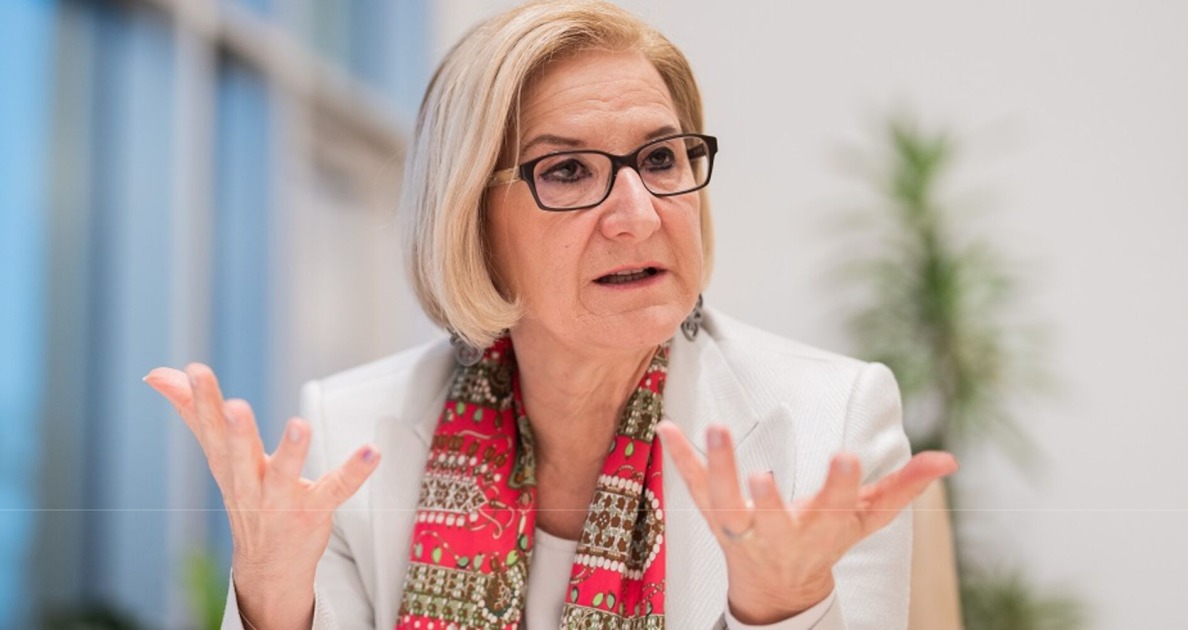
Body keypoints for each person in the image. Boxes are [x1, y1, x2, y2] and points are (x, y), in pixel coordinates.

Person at [145, 1, 957, 628]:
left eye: (661, 158)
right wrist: (273, 601)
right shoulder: (350, 432)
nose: (637, 213)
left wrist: (782, 610)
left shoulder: (828, 423)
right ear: (470, 217)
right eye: (568, 170)